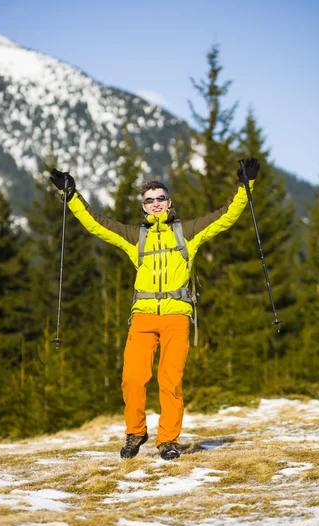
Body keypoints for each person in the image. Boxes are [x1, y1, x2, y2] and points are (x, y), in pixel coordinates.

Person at [50, 157, 260, 460]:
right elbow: (96, 224)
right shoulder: (135, 237)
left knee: (170, 381)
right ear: (144, 207)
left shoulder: (188, 232)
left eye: (160, 198)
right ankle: (135, 433)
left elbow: (226, 216)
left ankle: (168, 441)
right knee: (132, 379)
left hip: (177, 317)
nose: (156, 203)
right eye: (149, 200)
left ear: (169, 201)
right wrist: (70, 195)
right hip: (143, 318)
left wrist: (245, 185)